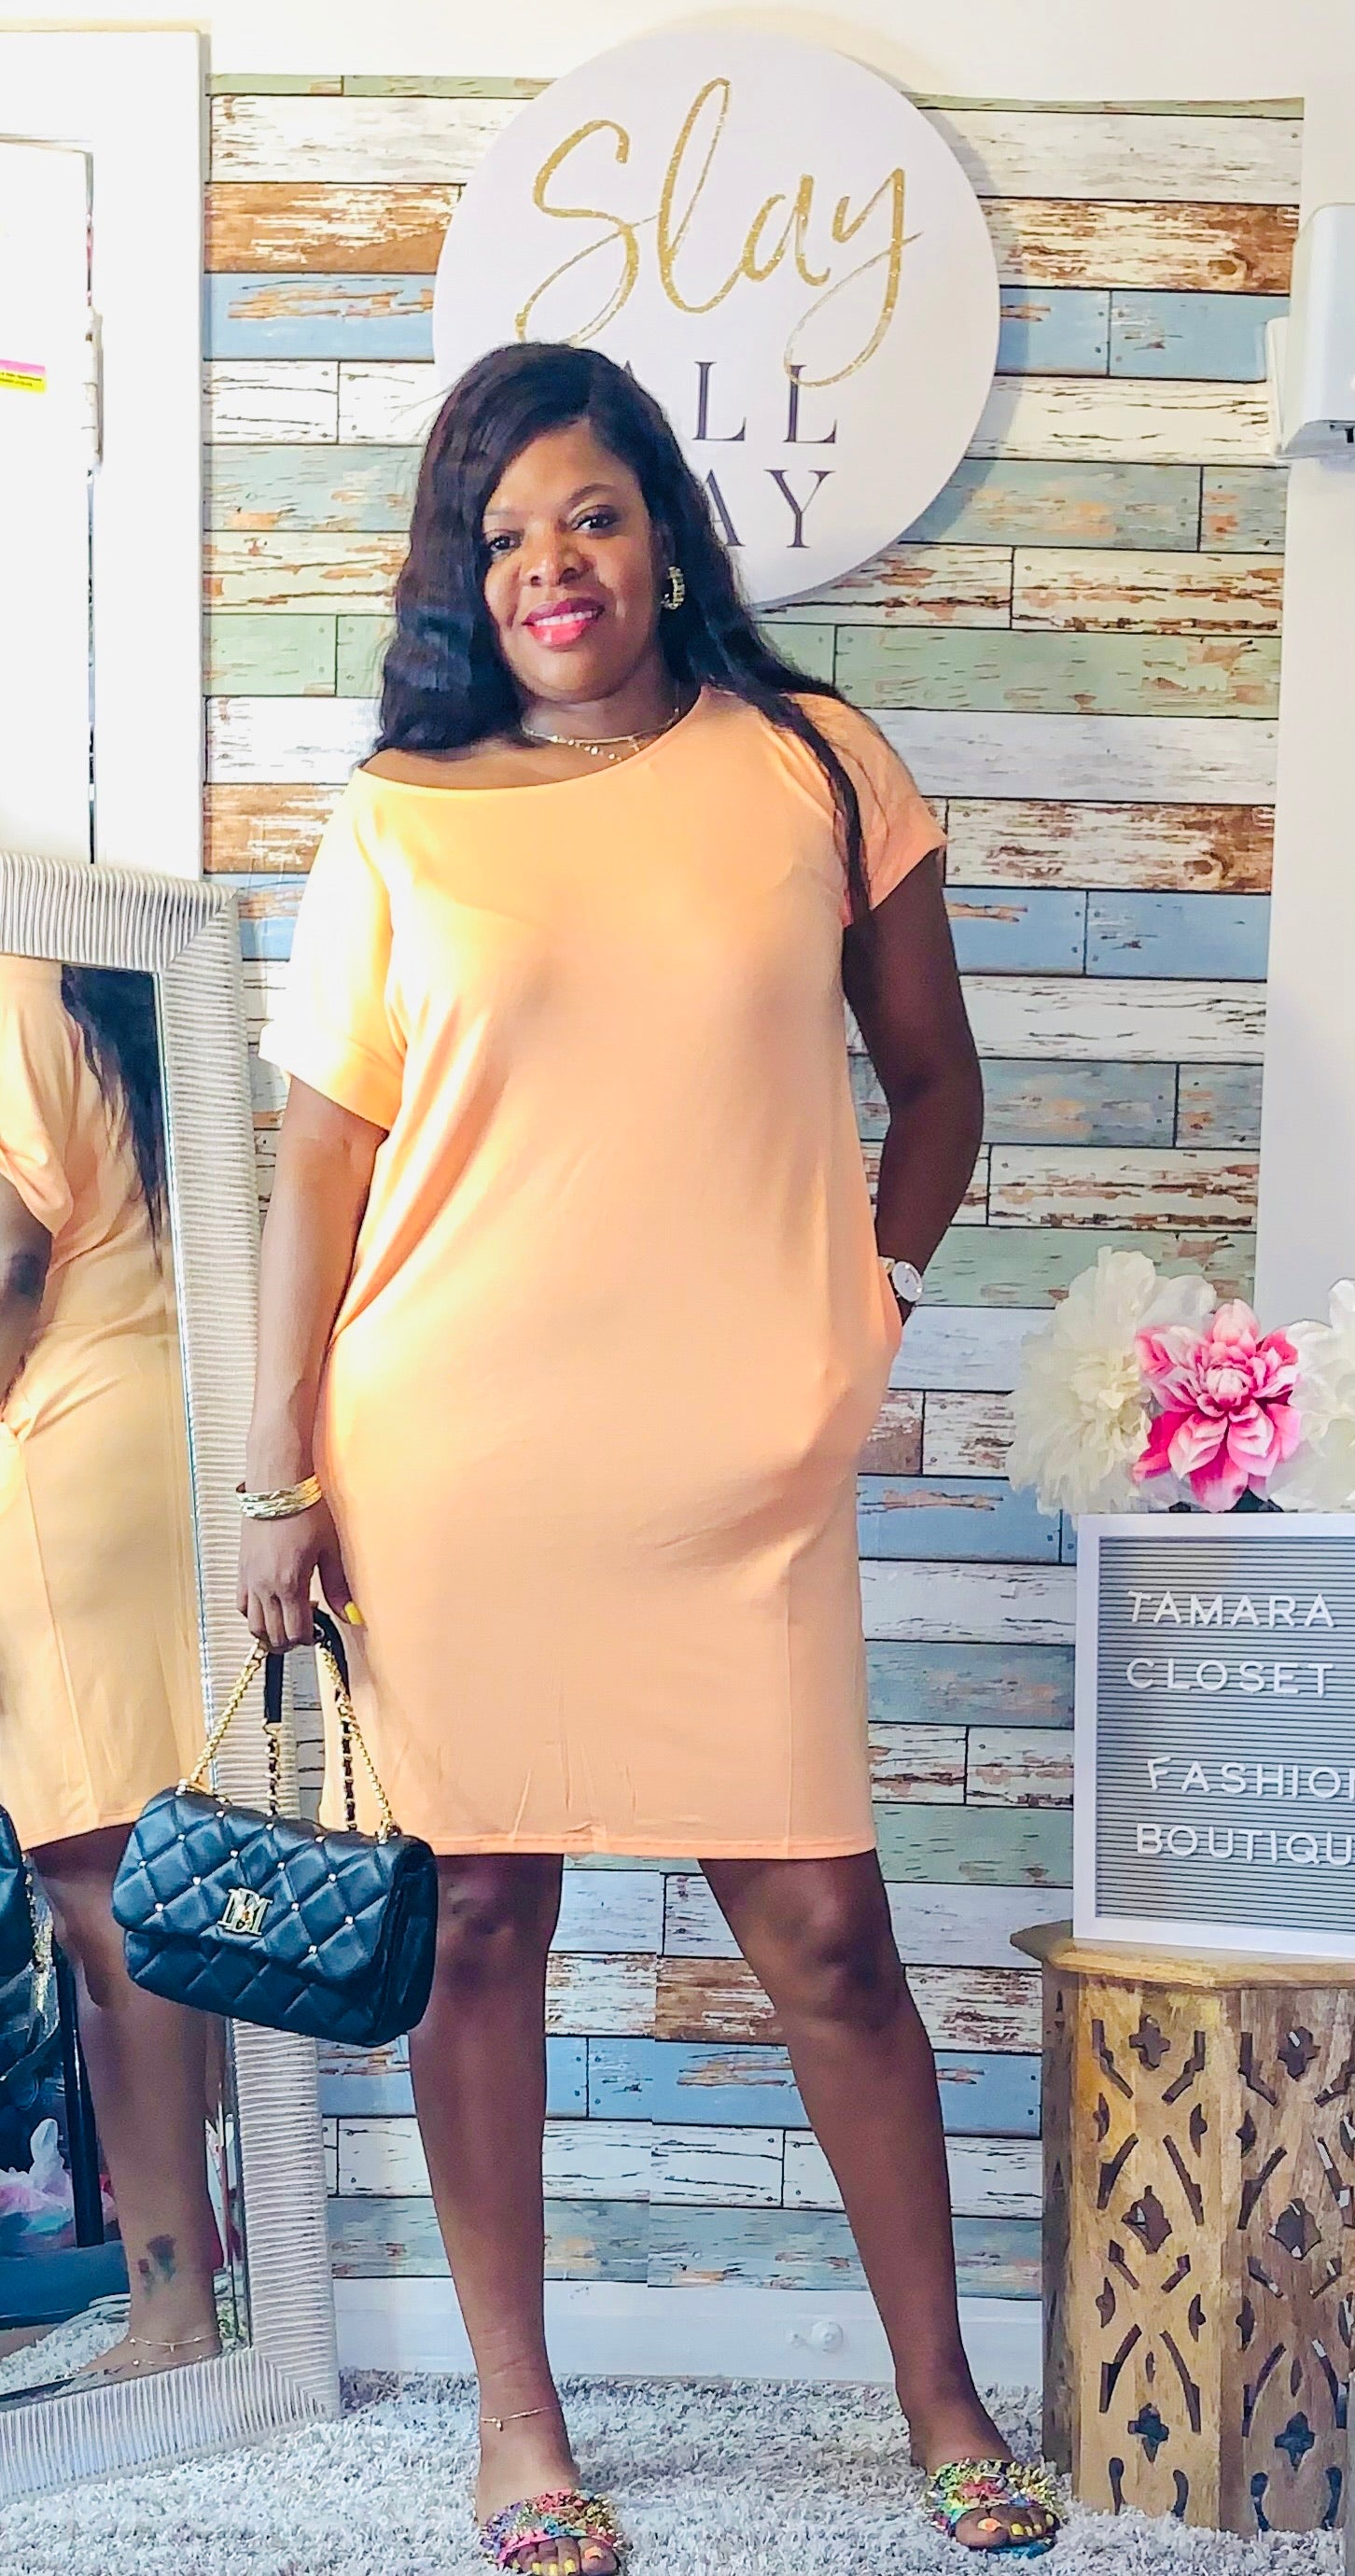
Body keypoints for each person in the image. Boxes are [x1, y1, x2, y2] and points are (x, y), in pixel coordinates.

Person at [241, 343, 1063, 2567]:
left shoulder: (814, 762)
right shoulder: (401, 816)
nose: (552, 566)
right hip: (457, 1456)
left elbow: (939, 1085)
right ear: (462, 574)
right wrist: (274, 1481)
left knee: (830, 1940)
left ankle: (943, 2397)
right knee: (479, 1919)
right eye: (503, 535)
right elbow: (318, 1173)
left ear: (668, 536)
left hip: (743, 1473)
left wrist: (871, 1309)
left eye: (590, 515)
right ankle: (521, 2429)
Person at [0, 960, 222, 2381]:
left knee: (105, 1897)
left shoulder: (3, 983)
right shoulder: (88, 990)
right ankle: (196, 2278)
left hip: (57, 1458)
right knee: (156, 1875)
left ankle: (173, 2311)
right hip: (147, 1436)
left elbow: (4, 1268)